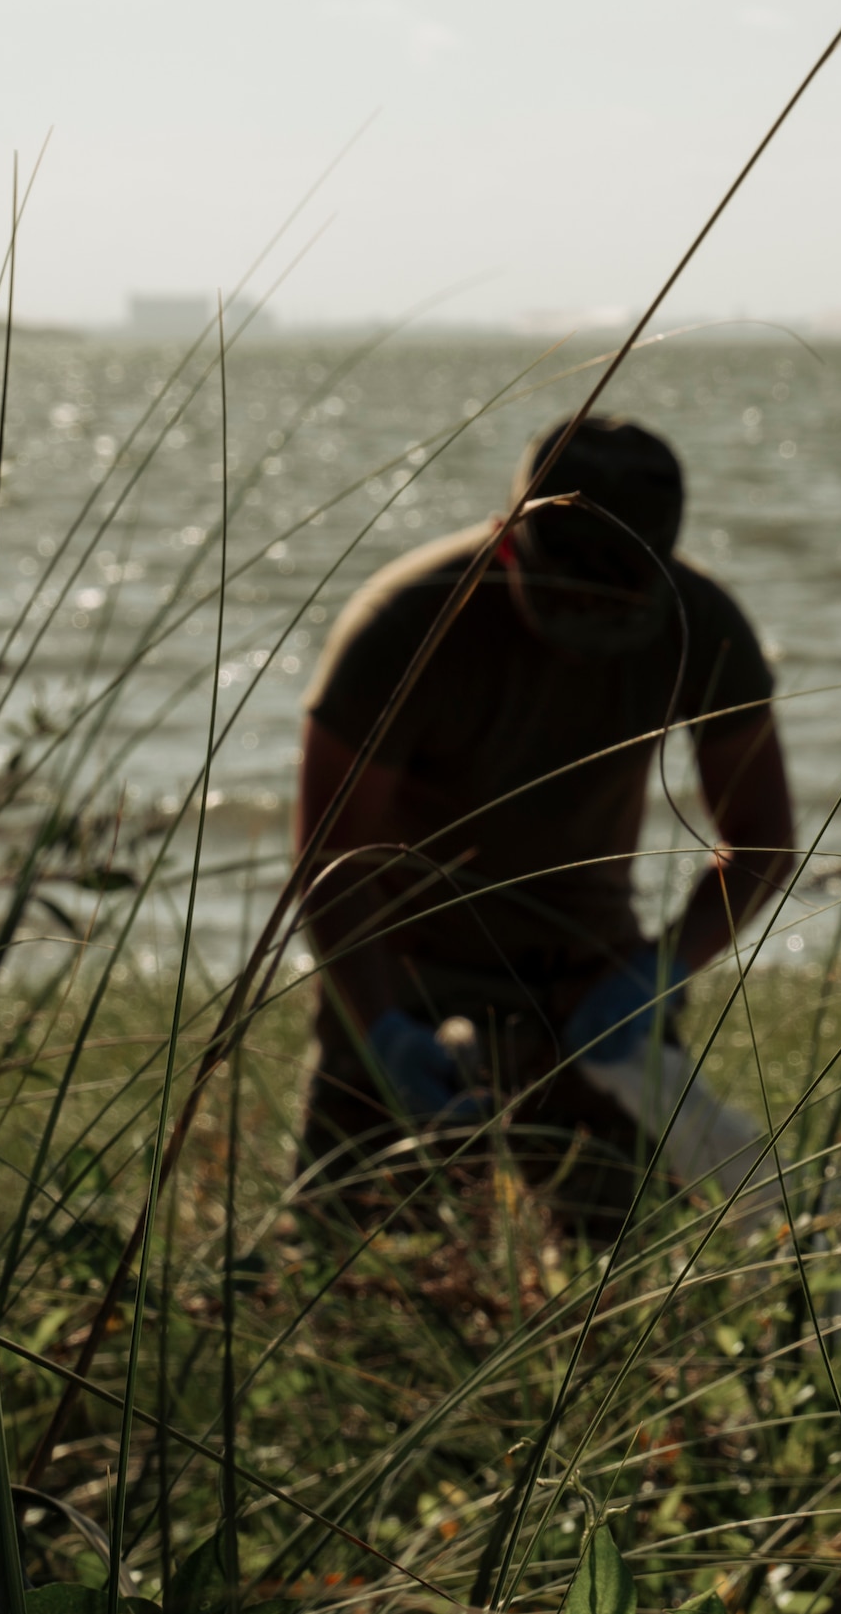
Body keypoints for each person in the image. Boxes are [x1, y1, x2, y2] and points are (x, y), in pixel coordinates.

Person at [292, 414, 794, 1237]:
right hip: (410, 970)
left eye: (619, 608)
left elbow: (762, 839)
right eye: (564, 602)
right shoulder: (404, 624)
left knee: (619, 1262)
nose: (585, 641)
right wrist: (382, 1031)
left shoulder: (701, 623)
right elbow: (332, 861)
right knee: (350, 1251)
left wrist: (657, 972)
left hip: (591, 978)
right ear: (504, 543)